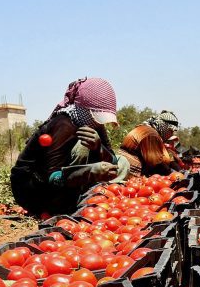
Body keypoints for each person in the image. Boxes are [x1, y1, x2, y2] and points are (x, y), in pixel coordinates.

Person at [10, 77, 131, 217]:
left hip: (63, 179)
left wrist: (99, 148)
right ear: (85, 109)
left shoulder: (95, 124)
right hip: (34, 189)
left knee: (123, 162)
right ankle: (70, 202)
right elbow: (52, 178)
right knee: (82, 147)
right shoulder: (63, 124)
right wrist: (89, 171)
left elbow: (114, 162)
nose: (100, 122)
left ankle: (88, 194)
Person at [117, 110, 181, 177]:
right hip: (130, 173)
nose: (171, 134)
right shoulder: (151, 134)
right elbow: (156, 163)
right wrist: (173, 174)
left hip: (126, 169)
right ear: (164, 127)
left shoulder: (148, 131)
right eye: (170, 131)